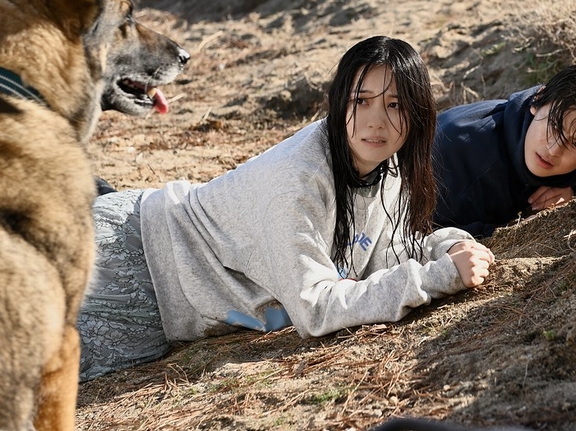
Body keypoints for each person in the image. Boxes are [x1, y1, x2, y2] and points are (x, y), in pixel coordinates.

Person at [78, 36, 494, 381]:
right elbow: (315, 309)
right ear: (338, 104)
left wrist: (450, 247)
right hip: (129, 265)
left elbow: (382, 251)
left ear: (417, 113)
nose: (376, 121)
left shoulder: (384, 165)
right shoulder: (299, 179)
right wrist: (436, 278)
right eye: (361, 100)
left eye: (395, 105)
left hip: (166, 301)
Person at [432, 62, 576, 238]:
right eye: (554, 125)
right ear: (537, 100)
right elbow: (419, 233)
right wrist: (508, 227)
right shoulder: (455, 152)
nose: (553, 149)